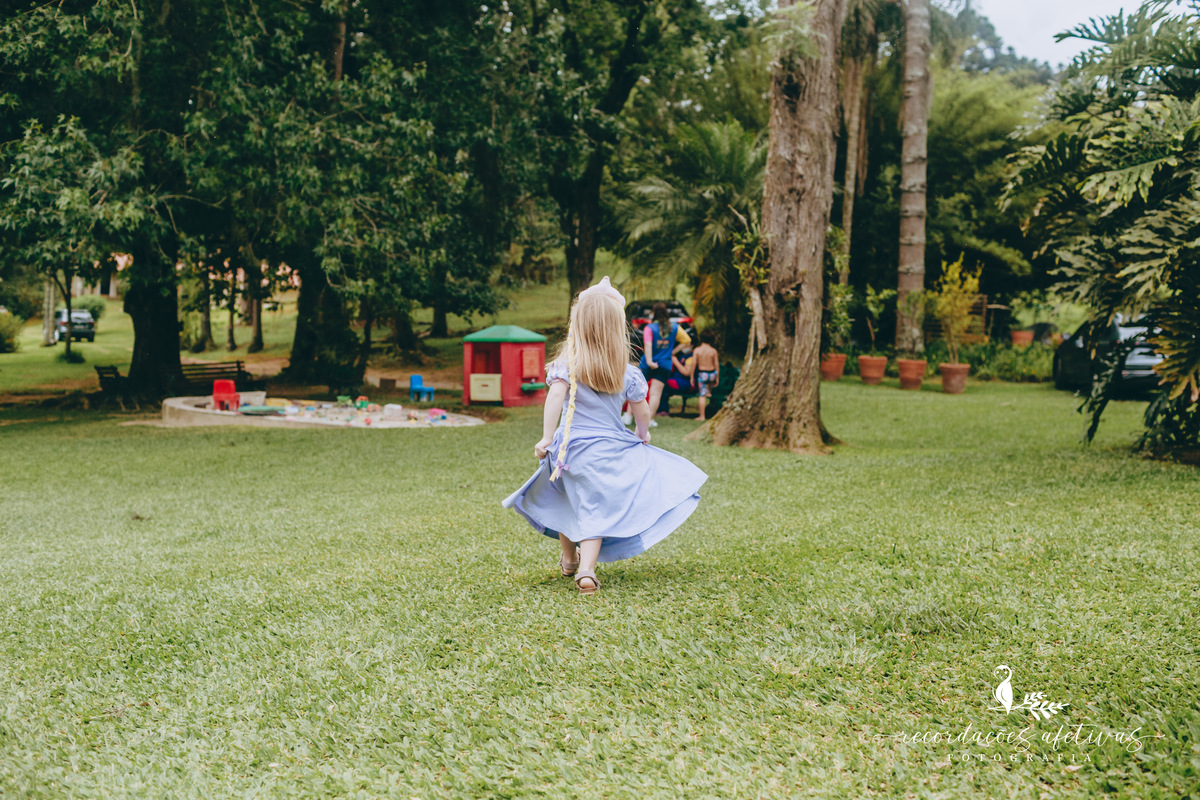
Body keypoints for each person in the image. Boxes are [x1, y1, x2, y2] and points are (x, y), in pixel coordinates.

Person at [503, 277, 707, 595]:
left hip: (568, 450)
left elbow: (555, 398)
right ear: (617, 329)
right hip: (607, 450)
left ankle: (570, 559)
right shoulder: (627, 372)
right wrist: (642, 434)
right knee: (594, 506)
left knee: (565, 500)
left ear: (577, 326)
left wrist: (546, 438)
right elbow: (642, 411)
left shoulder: (566, 366)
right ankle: (585, 569)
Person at [638, 301, 691, 425]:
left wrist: (650, 361)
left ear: (654, 313)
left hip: (647, 364)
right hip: (665, 364)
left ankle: (628, 416)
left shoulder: (650, 328)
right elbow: (687, 341)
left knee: (637, 390)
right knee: (655, 394)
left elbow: (648, 345)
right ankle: (650, 420)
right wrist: (672, 352)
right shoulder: (674, 327)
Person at [692, 330, 720, 421]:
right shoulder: (713, 351)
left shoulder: (697, 350)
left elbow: (693, 364)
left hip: (702, 374)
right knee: (708, 393)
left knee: (702, 395)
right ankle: (709, 393)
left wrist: (692, 377)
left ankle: (702, 416)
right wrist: (717, 377)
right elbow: (716, 365)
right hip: (712, 374)